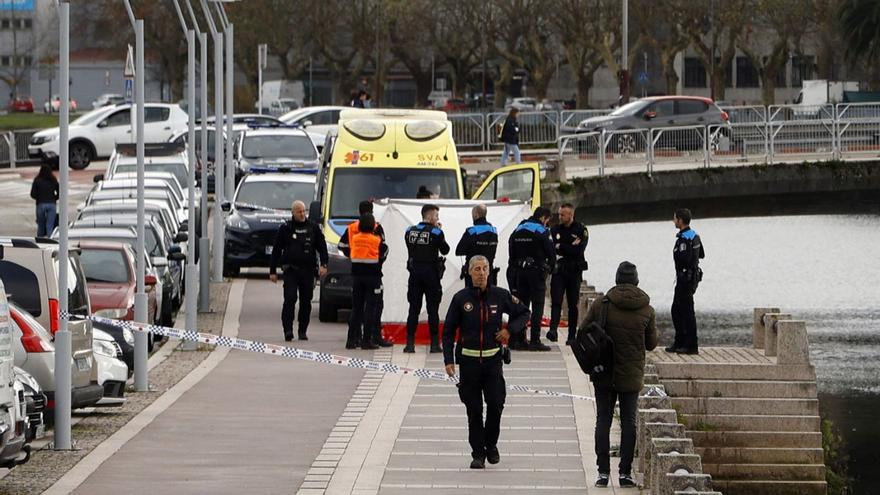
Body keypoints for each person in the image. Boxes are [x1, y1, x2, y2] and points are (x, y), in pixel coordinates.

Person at [443, 255, 529, 469]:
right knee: (473, 410)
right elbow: (448, 331)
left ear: (489, 272)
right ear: (469, 272)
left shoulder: (500, 296)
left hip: (492, 362)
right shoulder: (460, 299)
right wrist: (448, 360)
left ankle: (491, 445)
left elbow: (524, 313)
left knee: (496, 405)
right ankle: (478, 453)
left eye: (484, 269)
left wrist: (509, 330)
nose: (481, 273)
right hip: (469, 364)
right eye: (477, 269)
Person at [584, 261, 658, 488]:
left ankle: (603, 473)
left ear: (616, 279)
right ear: (636, 280)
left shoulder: (602, 304)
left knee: (603, 420)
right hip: (631, 374)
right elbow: (651, 344)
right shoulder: (647, 309)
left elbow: (583, 331)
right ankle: (625, 473)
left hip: (604, 373)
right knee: (629, 422)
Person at [269, 200, 329, 341]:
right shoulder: (285, 228)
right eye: (299, 211)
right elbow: (276, 250)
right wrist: (272, 271)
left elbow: (322, 247)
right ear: (293, 213)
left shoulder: (313, 227)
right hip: (291, 270)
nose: (302, 214)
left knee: (306, 301)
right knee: (290, 299)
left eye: (303, 211)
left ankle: (302, 330)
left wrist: (324, 264)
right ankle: (288, 330)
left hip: (308, 271)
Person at [338, 200, 392, 349]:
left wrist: (353, 256)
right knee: (373, 307)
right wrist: (378, 261)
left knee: (357, 307)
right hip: (373, 276)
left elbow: (342, 246)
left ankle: (352, 339)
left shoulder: (353, 232)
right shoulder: (376, 231)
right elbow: (384, 250)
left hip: (356, 274)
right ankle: (369, 339)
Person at [404, 204, 450, 353]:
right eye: (436, 216)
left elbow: (410, 248)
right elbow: (445, 250)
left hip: (414, 274)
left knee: (413, 309)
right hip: (431, 275)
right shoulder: (436, 232)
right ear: (430, 217)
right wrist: (440, 231)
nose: (437, 219)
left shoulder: (409, 231)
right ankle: (435, 344)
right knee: (433, 310)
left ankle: (410, 344)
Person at [508, 206, 555, 351]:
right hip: (536, 273)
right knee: (537, 305)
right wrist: (550, 268)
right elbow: (551, 254)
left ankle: (519, 340)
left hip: (520, 272)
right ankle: (535, 340)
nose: (546, 224)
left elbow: (511, 251)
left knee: (522, 306)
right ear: (543, 218)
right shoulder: (541, 230)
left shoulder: (517, 229)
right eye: (547, 221)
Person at [548, 203, 589, 345]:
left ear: (571, 215)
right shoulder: (554, 229)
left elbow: (579, 250)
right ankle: (553, 330)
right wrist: (569, 246)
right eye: (559, 214)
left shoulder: (581, 229)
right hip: (559, 270)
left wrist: (562, 247)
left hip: (574, 271)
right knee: (556, 301)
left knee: (573, 303)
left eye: (562, 215)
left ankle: (572, 335)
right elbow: (552, 249)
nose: (559, 217)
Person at [666, 208, 705, 355]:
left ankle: (690, 345)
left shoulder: (684, 239)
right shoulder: (695, 236)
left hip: (685, 280)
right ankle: (680, 342)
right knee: (677, 310)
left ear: (680, 220)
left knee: (686, 312)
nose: (673, 221)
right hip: (690, 278)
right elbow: (701, 254)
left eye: (675, 218)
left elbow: (684, 259)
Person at [456, 204, 498, 288]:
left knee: (472, 299)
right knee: (489, 299)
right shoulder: (494, 231)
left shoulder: (472, 231)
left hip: (473, 274)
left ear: (476, 214)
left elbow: (458, 251)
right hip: (488, 272)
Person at [30, 163, 59, 237]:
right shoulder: (53, 180)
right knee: (50, 225)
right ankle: (50, 239)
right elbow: (60, 191)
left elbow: (32, 194)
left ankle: (40, 240)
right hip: (52, 204)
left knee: (41, 225)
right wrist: (55, 198)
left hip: (40, 204)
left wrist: (39, 198)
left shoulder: (37, 180)